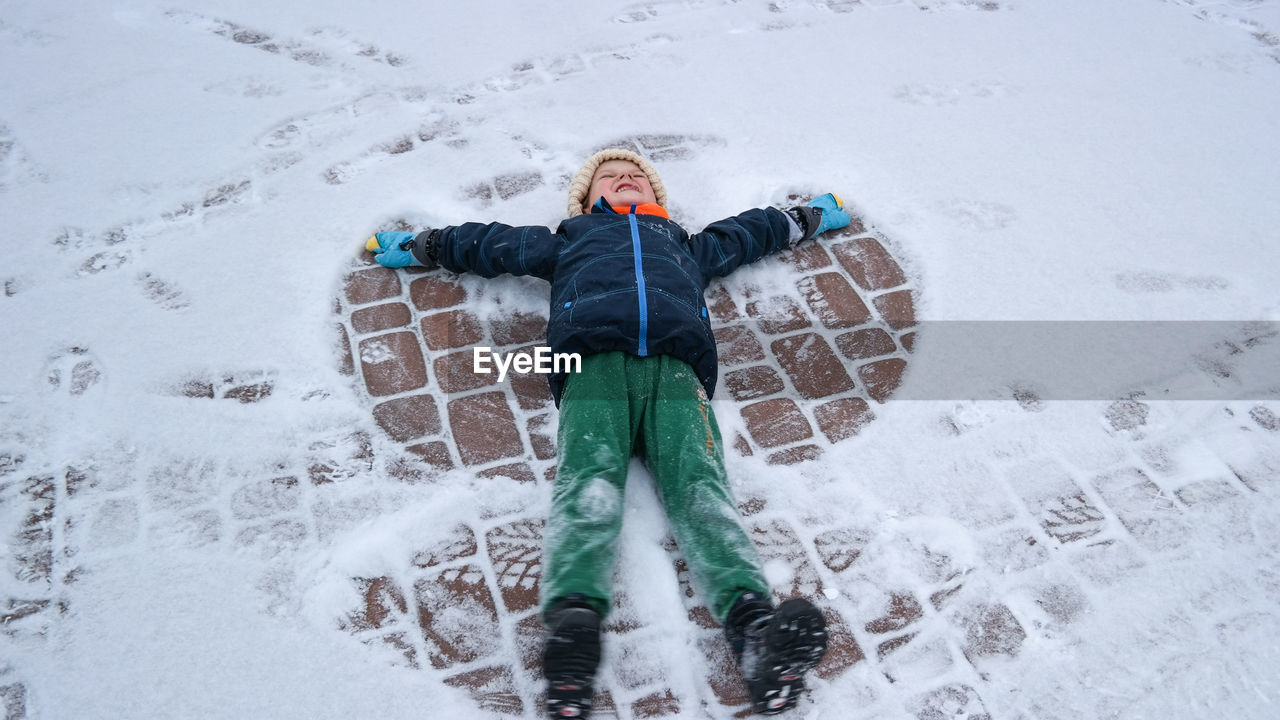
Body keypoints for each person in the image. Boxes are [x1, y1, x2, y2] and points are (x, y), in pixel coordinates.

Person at [367, 148, 850, 717]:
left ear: (655, 196)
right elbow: (490, 244)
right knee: (589, 480)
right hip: (588, 367)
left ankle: (755, 630)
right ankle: (573, 630)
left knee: (701, 486)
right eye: (610, 175)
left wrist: (812, 216)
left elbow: (755, 232)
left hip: (677, 373)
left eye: (637, 175)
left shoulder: (687, 244)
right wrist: (421, 246)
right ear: (587, 196)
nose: (625, 177)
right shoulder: (571, 239)